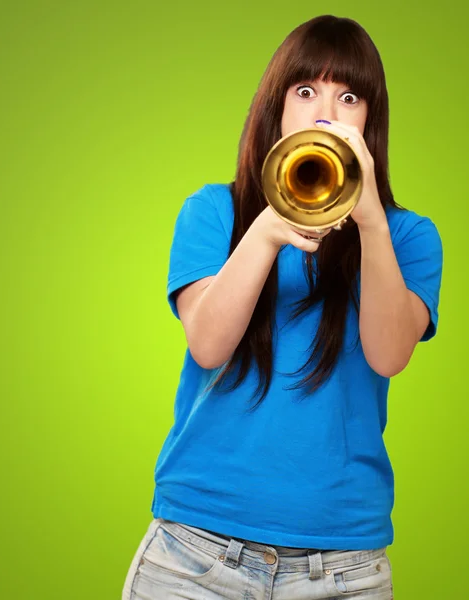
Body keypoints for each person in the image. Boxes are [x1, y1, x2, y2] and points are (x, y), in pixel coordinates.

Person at [122, 14, 443, 600]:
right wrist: (268, 230)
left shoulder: (410, 237)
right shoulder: (213, 212)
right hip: (194, 555)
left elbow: (389, 354)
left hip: (344, 565)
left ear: (370, 118)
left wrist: (370, 221)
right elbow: (209, 344)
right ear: (277, 108)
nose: (327, 112)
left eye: (349, 96)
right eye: (306, 91)